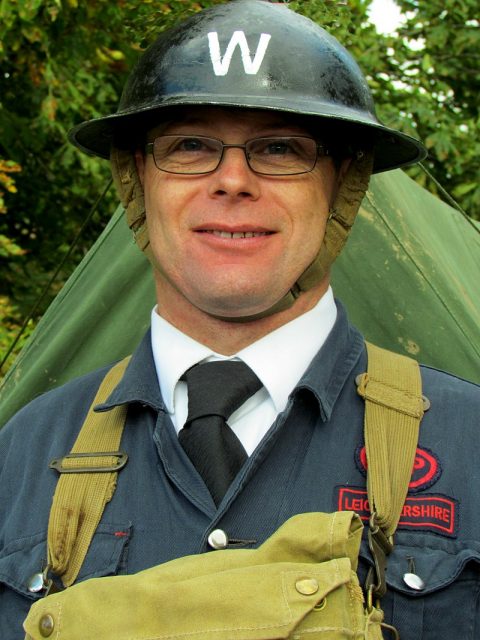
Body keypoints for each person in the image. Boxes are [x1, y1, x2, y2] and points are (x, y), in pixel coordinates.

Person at [1, 1, 479, 638]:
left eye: (280, 148)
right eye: (190, 146)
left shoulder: (469, 444)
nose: (232, 180)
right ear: (137, 179)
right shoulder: (21, 455)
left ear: (343, 184)